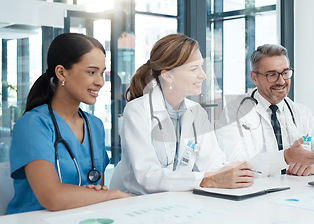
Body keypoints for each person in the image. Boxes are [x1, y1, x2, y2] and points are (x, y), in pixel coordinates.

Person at [110, 34, 254, 194]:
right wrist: (209, 179)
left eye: (201, 67)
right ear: (168, 75)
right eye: (194, 69)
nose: (203, 75)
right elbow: (148, 177)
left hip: (175, 202)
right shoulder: (138, 110)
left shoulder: (196, 112)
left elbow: (213, 163)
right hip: (136, 201)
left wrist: (234, 171)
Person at [7, 33, 131, 214]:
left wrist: (101, 196)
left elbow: (97, 189)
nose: (100, 82)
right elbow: (53, 197)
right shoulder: (32, 125)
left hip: (80, 223)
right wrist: (114, 195)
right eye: (91, 72)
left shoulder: (94, 126)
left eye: (102, 73)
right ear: (61, 72)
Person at [215, 44, 314, 177]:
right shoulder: (235, 112)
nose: (281, 81)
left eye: (285, 73)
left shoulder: (300, 111)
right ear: (254, 77)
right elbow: (238, 165)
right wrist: (286, 157)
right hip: (257, 193)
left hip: (296, 192)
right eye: (272, 75)